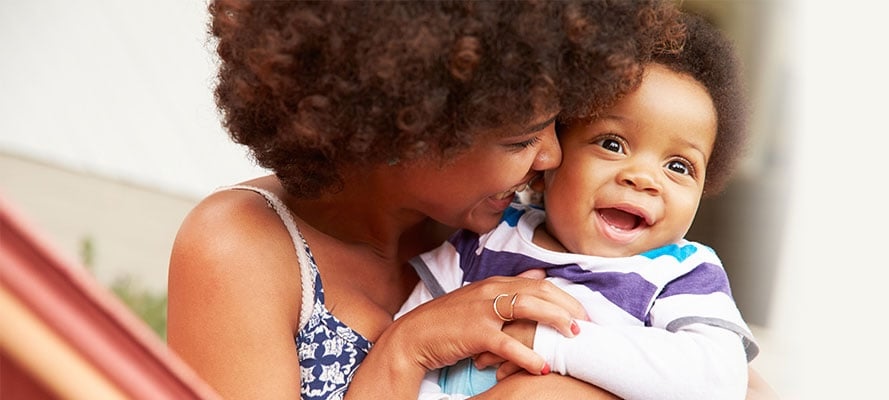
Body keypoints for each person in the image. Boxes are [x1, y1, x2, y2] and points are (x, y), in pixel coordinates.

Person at [166, 1, 777, 399]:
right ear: (407, 124)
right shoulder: (243, 251)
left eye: (559, 127)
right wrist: (404, 352)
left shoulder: (534, 230)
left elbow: (731, 385)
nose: (552, 160)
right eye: (520, 138)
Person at [399, 13, 758, 400]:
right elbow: (413, 338)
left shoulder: (682, 274)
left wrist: (554, 343)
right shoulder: (485, 240)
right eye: (612, 144)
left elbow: (718, 382)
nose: (642, 178)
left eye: (678, 166)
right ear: (552, 156)